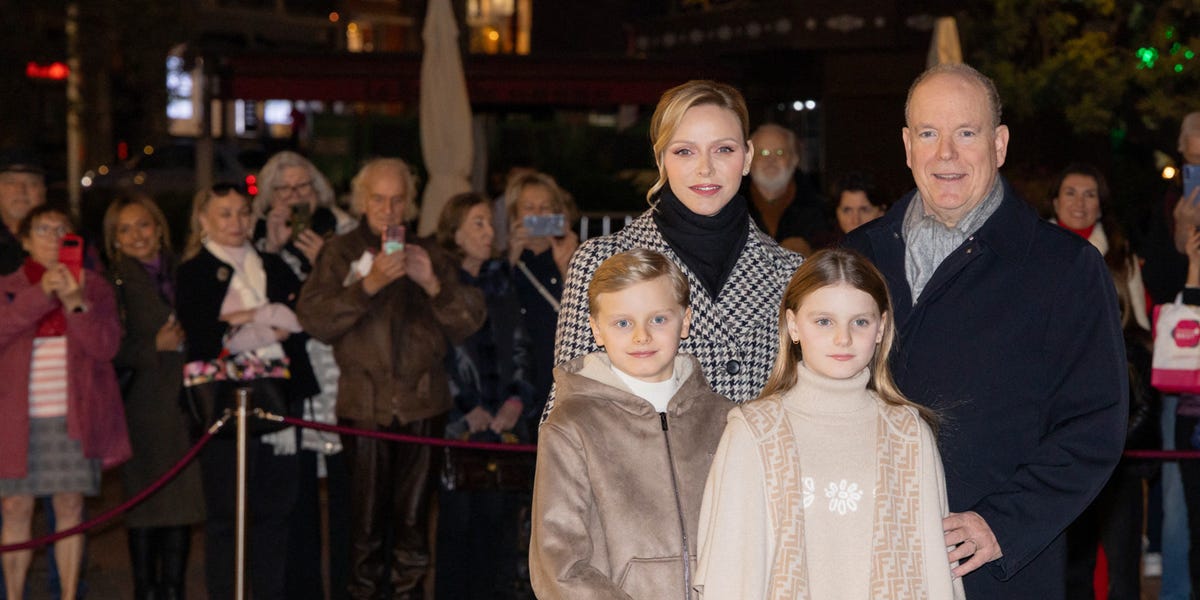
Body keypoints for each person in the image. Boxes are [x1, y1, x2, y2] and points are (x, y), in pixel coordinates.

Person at [842, 63, 1127, 598]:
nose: (945, 154)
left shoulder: (1063, 269)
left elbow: (1093, 426)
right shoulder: (854, 259)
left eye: (965, 133)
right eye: (929, 133)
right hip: (863, 562)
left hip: (995, 573)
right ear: (907, 146)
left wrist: (1004, 524)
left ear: (998, 144)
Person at [694, 248, 964, 599]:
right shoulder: (753, 431)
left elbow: (935, 572)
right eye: (824, 321)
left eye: (860, 322)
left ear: (881, 328)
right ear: (793, 325)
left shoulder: (908, 431)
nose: (843, 338)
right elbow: (730, 573)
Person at [547, 80, 804, 421]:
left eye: (723, 149)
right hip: (640, 473)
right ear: (661, 159)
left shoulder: (790, 273)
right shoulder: (601, 261)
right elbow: (567, 411)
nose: (705, 168)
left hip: (760, 473)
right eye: (685, 151)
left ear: (747, 157)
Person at [295, 158, 485, 600]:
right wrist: (368, 285)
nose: (388, 208)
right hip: (364, 406)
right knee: (363, 531)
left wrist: (434, 284)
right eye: (378, 198)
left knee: (415, 528)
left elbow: (468, 323)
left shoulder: (430, 252)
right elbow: (315, 318)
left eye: (397, 199)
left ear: (410, 202)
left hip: (424, 406)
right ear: (362, 201)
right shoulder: (339, 252)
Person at [530, 248, 729, 598]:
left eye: (658, 319)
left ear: (685, 321)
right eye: (623, 322)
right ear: (596, 329)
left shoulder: (725, 418)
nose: (641, 336)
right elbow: (558, 563)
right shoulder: (571, 426)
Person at [175, 183, 319, 600]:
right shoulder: (194, 271)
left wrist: (241, 322)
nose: (236, 222)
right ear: (204, 219)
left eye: (243, 212)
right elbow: (205, 335)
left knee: (276, 514)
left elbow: (297, 321)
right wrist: (264, 318)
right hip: (221, 406)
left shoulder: (273, 265)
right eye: (225, 213)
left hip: (279, 401)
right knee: (225, 516)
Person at [0, 203, 131, 600]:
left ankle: (70, 594)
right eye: (43, 229)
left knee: (71, 509)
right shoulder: (7, 286)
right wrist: (40, 295)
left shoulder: (95, 287)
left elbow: (106, 347)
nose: (54, 238)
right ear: (24, 240)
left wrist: (75, 301)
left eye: (62, 231)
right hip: (17, 419)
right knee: (15, 509)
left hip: (75, 416)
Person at [1047, 163, 1158, 600]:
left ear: (1101, 202)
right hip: (1059, 416)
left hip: (1117, 414)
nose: (1079, 202)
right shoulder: (1036, 253)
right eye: (1070, 192)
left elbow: (1143, 333)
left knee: (1122, 548)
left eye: (1089, 193)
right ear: (1054, 201)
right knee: (1072, 555)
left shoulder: (1121, 255)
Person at [251, 149, 352, 600]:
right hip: (290, 380)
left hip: (341, 371)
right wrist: (270, 251)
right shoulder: (255, 241)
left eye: (303, 188)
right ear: (269, 197)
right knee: (297, 497)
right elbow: (255, 307)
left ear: (319, 191)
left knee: (348, 494)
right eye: (284, 190)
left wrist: (326, 263)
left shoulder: (345, 230)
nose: (294, 198)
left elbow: (358, 301)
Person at [102, 196, 205, 600]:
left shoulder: (185, 272)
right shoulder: (113, 283)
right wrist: (153, 345)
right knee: (145, 507)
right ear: (114, 240)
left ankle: (174, 590)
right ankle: (145, 590)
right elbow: (106, 347)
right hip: (141, 408)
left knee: (181, 504)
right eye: (124, 230)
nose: (136, 236)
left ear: (159, 227)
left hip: (184, 405)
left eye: (143, 225)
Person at [434, 192, 535, 599]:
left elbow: (520, 344)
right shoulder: (439, 283)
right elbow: (437, 351)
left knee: (500, 528)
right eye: (477, 223)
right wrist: (466, 406)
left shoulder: (501, 279)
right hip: (460, 424)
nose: (488, 231)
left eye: (489, 223)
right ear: (454, 232)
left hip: (505, 423)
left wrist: (515, 400)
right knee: (458, 530)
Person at [1144, 111, 1200, 600]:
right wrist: (1183, 246)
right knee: (1179, 495)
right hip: (1185, 375)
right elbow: (1160, 285)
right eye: (1197, 129)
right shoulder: (1166, 203)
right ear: (1182, 146)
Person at [503, 171, 578, 427]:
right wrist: (508, 260)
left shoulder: (575, 259)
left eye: (546, 208)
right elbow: (491, 314)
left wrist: (567, 267)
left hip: (559, 378)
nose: (538, 215)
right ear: (514, 215)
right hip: (519, 380)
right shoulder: (501, 264)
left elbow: (591, 319)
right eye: (529, 208)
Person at [739, 123, 831, 255]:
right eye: (763, 152)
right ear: (748, 160)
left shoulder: (821, 209)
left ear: (794, 159)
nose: (770, 160)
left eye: (780, 152)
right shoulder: (729, 205)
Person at [0, 148, 47, 275]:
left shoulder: (67, 239)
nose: (20, 190)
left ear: (43, 191)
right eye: (10, 182)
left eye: (32, 183)